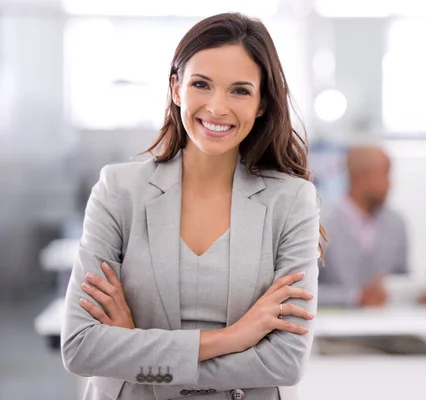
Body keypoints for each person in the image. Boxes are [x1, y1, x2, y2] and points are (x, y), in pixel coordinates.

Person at [61, 13, 325, 400]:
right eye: (202, 84)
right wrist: (231, 338)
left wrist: (135, 349)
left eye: (239, 91)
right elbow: (81, 345)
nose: (217, 108)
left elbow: (284, 361)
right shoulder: (118, 191)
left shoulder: (292, 201)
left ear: (263, 104)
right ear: (176, 88)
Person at [317, 145, 426, 355]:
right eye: (385, 175)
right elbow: (304, 294)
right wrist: (355, 297)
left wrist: (416, 295)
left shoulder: (396, 224)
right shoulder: (321, 224)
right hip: (337, 336)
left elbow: (400, 282)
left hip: (389, 333)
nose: (391, 184)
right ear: (361, 178)